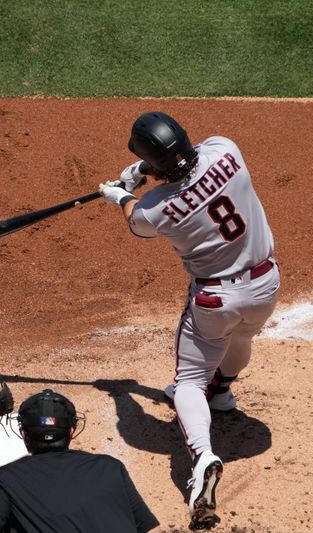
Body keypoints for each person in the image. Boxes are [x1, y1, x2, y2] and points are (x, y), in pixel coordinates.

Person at [98, 111, 281, 529]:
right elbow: (189, 159)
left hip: (216, 299)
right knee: (241, 341)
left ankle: (203, 458)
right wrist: (147, 168)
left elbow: (135, 218)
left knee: (188, 384)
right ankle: (224, 395)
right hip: (266, 284)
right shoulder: (227, 150)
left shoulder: (155, 210)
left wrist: (119, 193)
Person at [0, 389, 162, 533]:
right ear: (71, 432)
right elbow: (151, 530)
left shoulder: (1, 481)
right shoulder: (110, 467)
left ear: (24, 435)